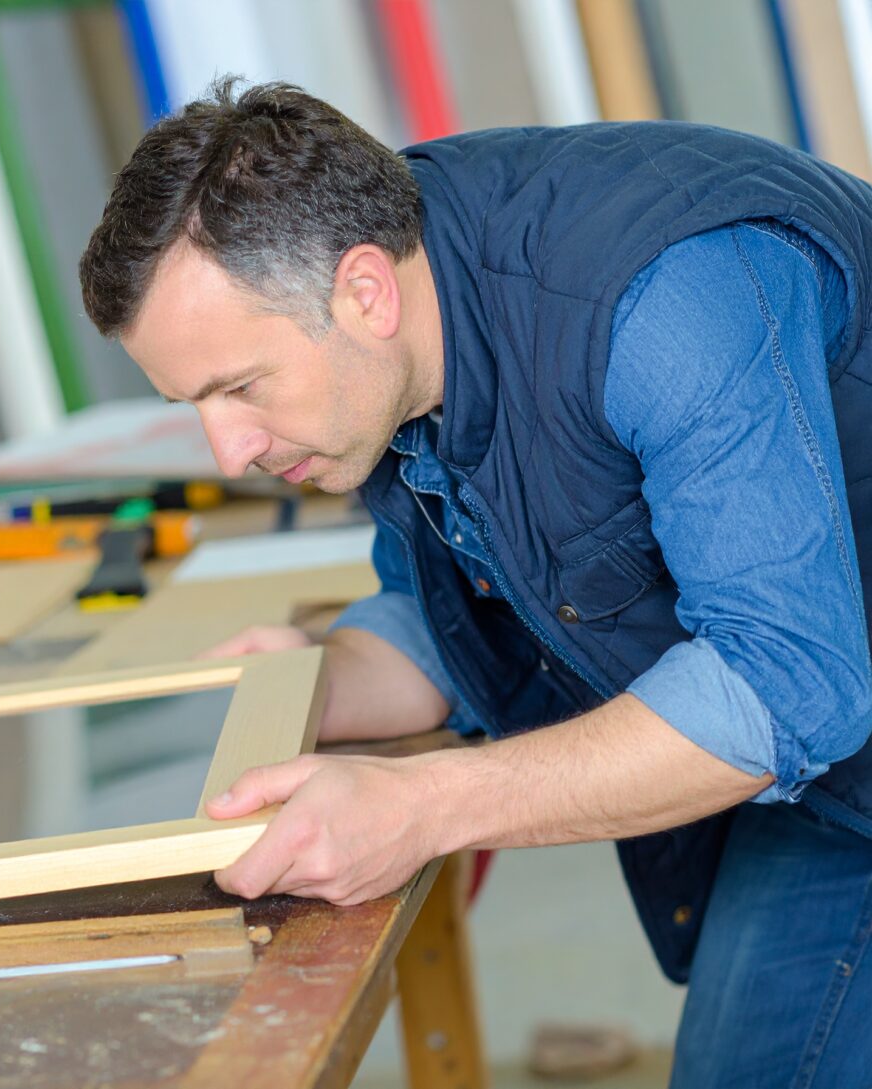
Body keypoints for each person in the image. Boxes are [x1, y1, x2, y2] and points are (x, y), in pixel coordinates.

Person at [78, 79, 872, 1087]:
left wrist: (420, 805)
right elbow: (453, 612)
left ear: (365, 292)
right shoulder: (398, 328)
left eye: (239, 387)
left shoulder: (665, 298)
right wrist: (317, 680)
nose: (227, 451)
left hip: (816, 703)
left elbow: (783, 686)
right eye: (192, 404)